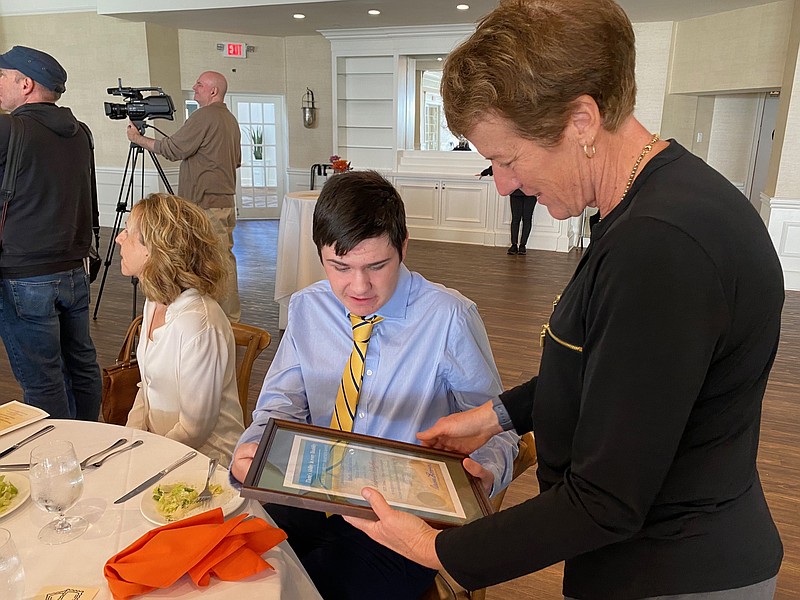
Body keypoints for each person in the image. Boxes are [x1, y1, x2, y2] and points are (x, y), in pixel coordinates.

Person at [342, 1, 785, 599]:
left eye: (506, 158)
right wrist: (496, 414)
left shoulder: (660, 246)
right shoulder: (658, 204)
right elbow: (614, 373)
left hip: (672, 571)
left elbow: (606, 500)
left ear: (581, 120)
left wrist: (436, 548)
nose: (501, 183)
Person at [230, 170, 518, 600]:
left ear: (403, 248)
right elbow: (280, 405)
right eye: (340, 267)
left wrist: (487, 472)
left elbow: (501, 427)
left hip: (400, 521)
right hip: (311, 496)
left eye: (376, 266)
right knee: (235, 575)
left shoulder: (449, 317)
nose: (358, 286)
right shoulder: (307, 308)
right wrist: (253, 446)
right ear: (320, 255)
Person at [0, 45, 101, 421]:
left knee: (42, 379)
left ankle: (60, 455)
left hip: (24, 277)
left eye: (2, 78)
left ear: (25, 84)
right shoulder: (79, 132)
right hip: (74, 271)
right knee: (82, 366)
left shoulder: (11, 129)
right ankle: (93, 440)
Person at [117, 193, 243, 466]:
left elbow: (194, 429)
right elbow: (147, 386)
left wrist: (144, 460)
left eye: (128, 232)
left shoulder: (198, 323)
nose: (118, 238)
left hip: (206, 464)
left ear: (153, 248)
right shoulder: (154, 301)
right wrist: (129, 441)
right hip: (164, 449)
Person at [125, 71, 242, 323]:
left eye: (200, 84)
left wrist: (138, 138)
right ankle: (219, 318)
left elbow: (173, 149)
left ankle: (226, 322)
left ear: (213, 91)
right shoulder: (229, 119)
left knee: (218, 261)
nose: (194, 87)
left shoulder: (205, 116)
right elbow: (237, 160)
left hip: (207, 204)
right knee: (221, 258)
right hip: (221, 201)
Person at [481, 166, 538, 254]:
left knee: (526, 218)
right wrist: (486, 172)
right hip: (516, 192)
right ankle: (514, 245)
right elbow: (500, 165)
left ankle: (522, 245)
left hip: (531, 191)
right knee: (516, 218)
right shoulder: (514, 157)